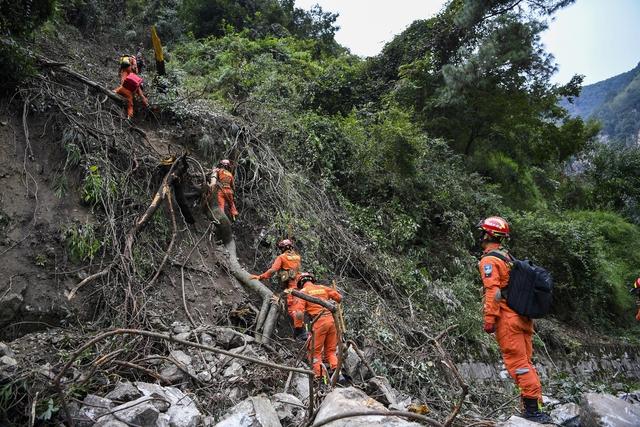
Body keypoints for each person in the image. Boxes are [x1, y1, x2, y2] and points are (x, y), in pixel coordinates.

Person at [477, 216, 552, 424]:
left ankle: (532, 411)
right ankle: (533, 406)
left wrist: (489, 319)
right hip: (522, 317)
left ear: (487, 235)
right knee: (526, 362)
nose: (480, 236)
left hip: (508, 319)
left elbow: (493, 291)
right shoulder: (506, 257)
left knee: (518, 364)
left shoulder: (489, 260)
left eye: (482, 232)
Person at [250, 239, 305, 339]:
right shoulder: (297, 257)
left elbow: (273, 270)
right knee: (298, 307)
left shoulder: (282, 257)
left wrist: (261, 277)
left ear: (282, 248)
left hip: (292, 286)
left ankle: (301, 332)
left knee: (293, 309)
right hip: (300, 285)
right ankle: (300, 332)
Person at [290, 272, 342, 378]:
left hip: (319, 322)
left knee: (315, 353)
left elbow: (299, 314)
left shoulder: (303, 292)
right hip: (332, 321)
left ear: (300, 283)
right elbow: (339, 298)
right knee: (331, 351)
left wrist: (298, 328)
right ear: (312, 280)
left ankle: (321, 380)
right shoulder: (322, 287)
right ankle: (339, 376)